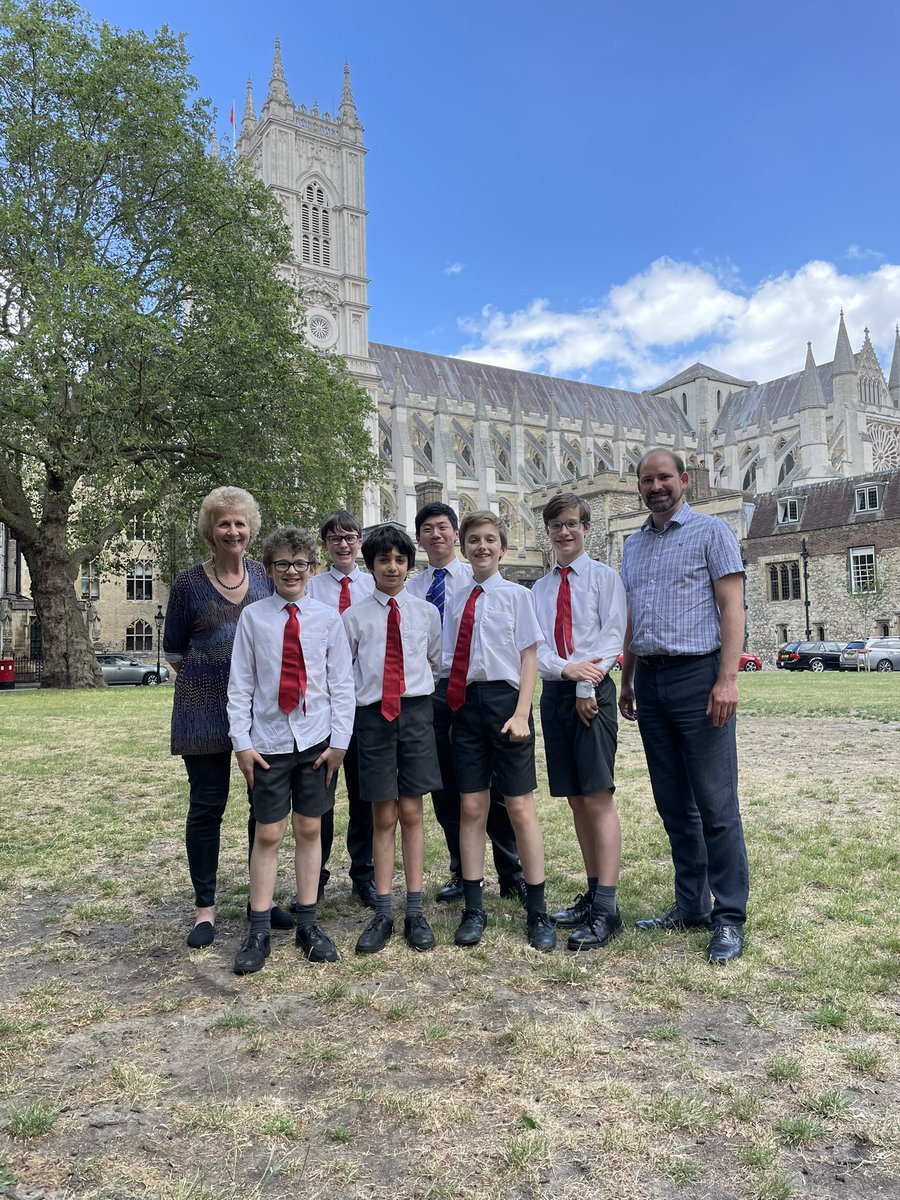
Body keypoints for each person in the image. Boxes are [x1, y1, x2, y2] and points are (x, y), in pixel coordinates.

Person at [618, 449, 749, 965]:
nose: (656, 486)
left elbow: (732, 605)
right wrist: (626, 680)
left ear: (684, 480)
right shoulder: (633, 544)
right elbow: (631, 618)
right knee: (674, 804)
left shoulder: (711, 532)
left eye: (664, 477)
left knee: (716, 805)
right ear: (639, 487)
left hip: (700, 677)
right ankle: (690, 905)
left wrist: (727, 678)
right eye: (647, 479)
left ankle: (729, 916)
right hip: (650, 680)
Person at [164, 486, 294, 948]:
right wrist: (212, 678)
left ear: (251, 529)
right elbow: (173, 649)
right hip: (201, 713)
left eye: (240, 523)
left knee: (266, 809)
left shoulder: (265, 577)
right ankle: (205, 908)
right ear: (210, 531)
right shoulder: (187, 585)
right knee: (207, 807)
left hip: (260, 716)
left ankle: (261, 900)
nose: (233, 531)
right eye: (224, 523)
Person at [227, 526, 355, 974]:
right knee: (268, 832)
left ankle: (308, 923)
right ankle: (259, 928)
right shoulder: (254, 617)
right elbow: (240, 683)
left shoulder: (327, 618)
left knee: (309, 829)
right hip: (269, 742)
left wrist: (340, 742)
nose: (292, 571)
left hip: (317, 740)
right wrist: (241, 743)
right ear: (268, 570)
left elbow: (341, 684)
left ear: (312, 568)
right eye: (282, 564)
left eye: (300, 564)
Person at [442, 511, 556, 952]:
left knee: (520, 807)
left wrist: (523, 713)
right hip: (467, 706)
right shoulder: (456, 599)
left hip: (508, 704)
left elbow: (529, 658)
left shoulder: (516, 596)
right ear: (463, 547)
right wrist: (455, 714)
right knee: (471, 806)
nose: (482, 547)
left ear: (503, 548)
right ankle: (474, 908)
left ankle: (537, 910)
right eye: (473, 540)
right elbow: (452, 658)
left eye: (490, 539)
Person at [407, 502, 526, 905]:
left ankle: (512, 870)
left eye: (443, 527)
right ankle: (462, 870)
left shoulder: (472, 579)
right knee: (449, 784)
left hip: (480, 689)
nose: (435, 535)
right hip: (435, 691)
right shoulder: (411, 587)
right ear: (419, 538)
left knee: (495, 790)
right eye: (427, 529)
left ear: (455, 534)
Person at [533, 492, 627, 951]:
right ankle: (592, 893)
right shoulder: (539, 588)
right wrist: (566, 672)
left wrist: (586, 684)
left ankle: (608, 908)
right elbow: (536, 646)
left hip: (593, 692)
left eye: (572, 524)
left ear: (586, 527)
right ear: (547, 532)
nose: (564, 532)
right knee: (574, 798)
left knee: (597, 795)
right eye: (556, 526)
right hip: (556, 692)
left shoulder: (606, 578)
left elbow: (612, 637)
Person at [342, 524, 443, 953]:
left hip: (416, 713)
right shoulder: (354, 617)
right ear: (371, 565)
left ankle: (415, 909)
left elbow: (434, 662)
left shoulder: (425, 613)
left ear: (408, 564)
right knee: (383, 814)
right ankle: (383, 908)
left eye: (399, 559)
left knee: (413, 812)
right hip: (373, 718)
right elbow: (345, 672)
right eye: (383, 560)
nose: (392, 567)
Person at [306, 510, 376, 907]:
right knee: (322, 795)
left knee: (365, 795)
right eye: (335, 538)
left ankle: (362, 873)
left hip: (364, 702)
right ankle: (315, 873)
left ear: (360, 541)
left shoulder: (373, 584)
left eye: (350, 537)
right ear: (326, 545)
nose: (344, 544)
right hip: (323, 705)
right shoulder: (312, 588)